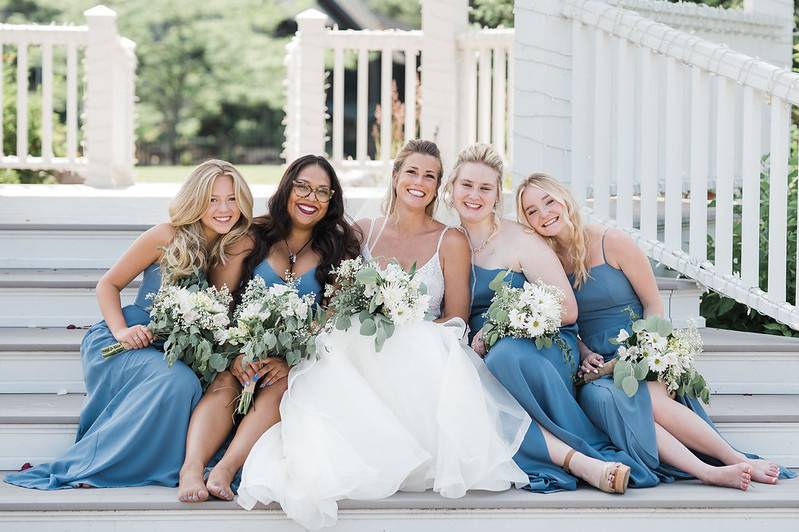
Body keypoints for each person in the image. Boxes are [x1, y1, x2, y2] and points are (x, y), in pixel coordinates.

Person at [236, 140, 530, 530]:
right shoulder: (363, 232)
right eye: (411, 172)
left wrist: (405, 328)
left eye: (429, 176)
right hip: (361, 344)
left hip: (426, 346)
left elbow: (456, 317)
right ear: (394, 177)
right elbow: (338, 302)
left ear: (438, 187)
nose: (418, 182)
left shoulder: (450, 240)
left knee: (407, 348)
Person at [520, 172, 796, 490]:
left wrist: (643, 349)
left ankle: (735, 459)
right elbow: (566, 323)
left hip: (642, 346)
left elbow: (653, 306)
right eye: (531, 211)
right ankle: (707, 472)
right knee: (604, 398)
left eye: (548, 201)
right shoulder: (545, 262)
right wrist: (585, 353)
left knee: (648, 401)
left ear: (564, 200)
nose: (544, 213)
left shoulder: (612, 242)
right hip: (598, 369)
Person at [5, 160, 254, 490]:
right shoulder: (166, 236)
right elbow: (108, 285)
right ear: (195, 199)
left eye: (232, 198)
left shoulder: (233, 250)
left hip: (174, 348)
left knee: (196, 383)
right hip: (127, 338)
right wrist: (122, 331)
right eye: (212, 199)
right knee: (178, 382)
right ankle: (107, 465)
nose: (224, 208)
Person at [448, 143, 643, 493]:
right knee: (464, 378)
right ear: (452, 188)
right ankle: (578, 462)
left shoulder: (521, 238)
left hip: (543, 341)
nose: (474, 195)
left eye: (485, 188)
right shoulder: (447, 240)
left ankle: (584, 450)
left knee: (504, 357)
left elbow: (567, 309)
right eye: (467, 185)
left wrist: (497, 328)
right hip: (480, 350)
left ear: (497, 196)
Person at [178, 155, 361, 502]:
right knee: (223, 383)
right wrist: (235, 355)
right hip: (239, 349)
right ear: (286, 188)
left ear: (332, 200)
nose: (311, 198)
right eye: (303, 187)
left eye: (323, 192)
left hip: (300, 360)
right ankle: (191, 468)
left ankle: (225, 469)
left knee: (283, 388)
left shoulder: (341, 250)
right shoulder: (250, 238)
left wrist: (291, 361)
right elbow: (218, 307)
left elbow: (332, 321)